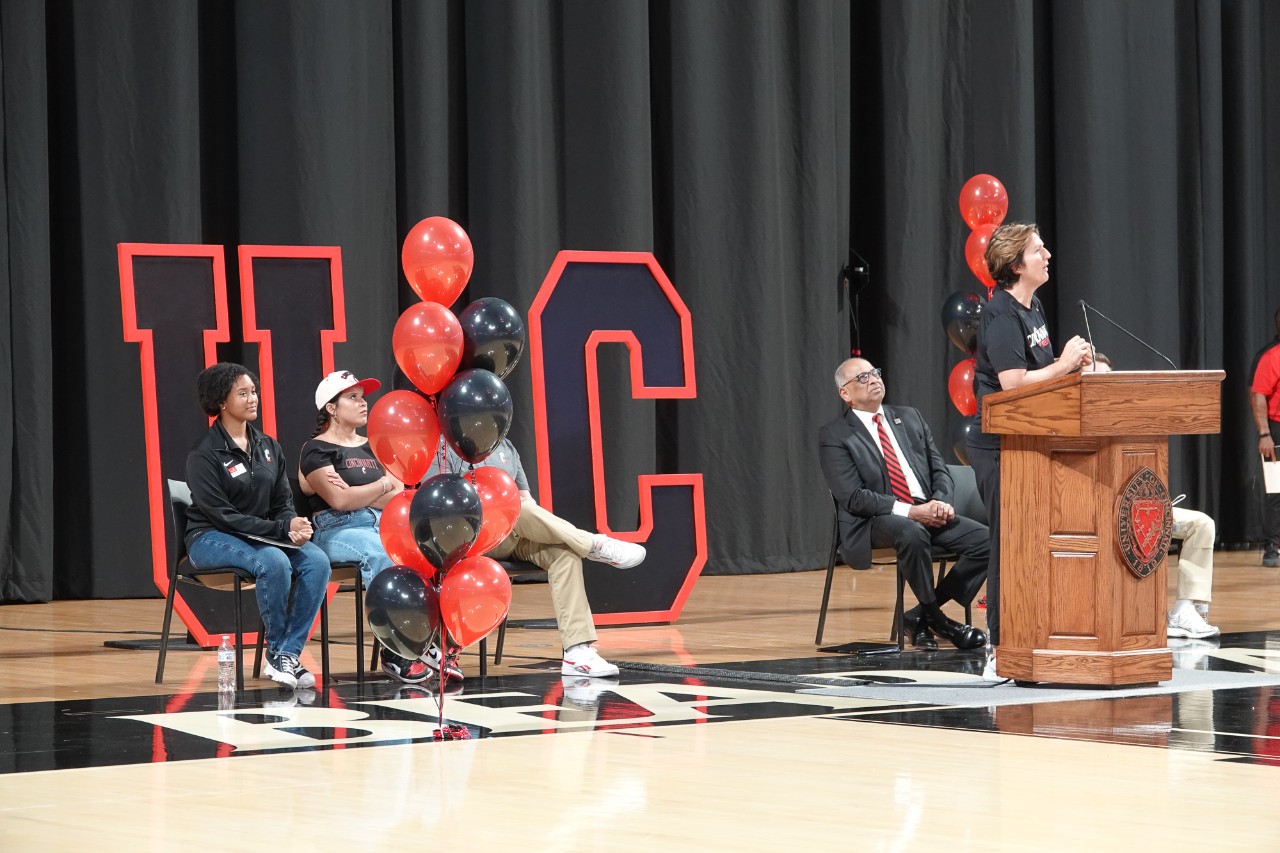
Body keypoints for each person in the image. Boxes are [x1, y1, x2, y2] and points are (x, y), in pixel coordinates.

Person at [968, 222, 1092, 667]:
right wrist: (1063, 364)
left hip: (1033, 442)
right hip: (1001, 448)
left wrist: (1078, 369)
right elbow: (1014, 385)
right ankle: (999, 646)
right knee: (1010, 543)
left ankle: (1039, 630)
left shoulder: (1032, 307)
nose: (1048, 256)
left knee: (1036, 541)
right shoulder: (1000, 314)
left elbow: (1043, 377)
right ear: (1017, 265)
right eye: (1039, 250)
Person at [426, 437, 647, 679]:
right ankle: (592, 543)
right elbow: (440, 505)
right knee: (514, 507)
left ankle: (577, 651)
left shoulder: (507, 447)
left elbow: (527, 502)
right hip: (470, 539)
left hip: (511, 535)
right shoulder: (446, 447)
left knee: (564, 553)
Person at [817, 357, 989, 650]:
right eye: (861, 378)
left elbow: (939, 471)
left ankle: (919, 615)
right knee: (911, 531)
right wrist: (911, 512)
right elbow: (854, 498)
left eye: (875, 373)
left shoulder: (909, 417)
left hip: (925, 510)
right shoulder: (835, 435)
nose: (873, 379)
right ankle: (940, 620)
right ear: (844, 394)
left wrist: (940, 503)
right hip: (873, 521)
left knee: (987, 541)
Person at [184, 362, 332, 690]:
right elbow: (223, 516)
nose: (253, 399)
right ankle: (278, 652)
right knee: (274, 561)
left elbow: (280, 504)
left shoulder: (269, 447)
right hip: (210, 537)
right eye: (244, 393)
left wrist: (291, 522)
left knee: (317, 561)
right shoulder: (204, 454)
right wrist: (280, 531)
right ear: (222, 401)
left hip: (258, 534)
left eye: (254, 392)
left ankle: (286, 653)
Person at [298, 370, 437, 684]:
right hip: (335, 530)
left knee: (423, 556)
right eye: (352, 398)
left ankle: (428, 643)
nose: (363, 404)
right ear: (331, 408)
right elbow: (338, 501)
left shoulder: (374, 445)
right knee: (380, 555)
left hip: (381, 525)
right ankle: (395, 652)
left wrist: (362, 491)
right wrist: (380, 484)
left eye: (363, 397)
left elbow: (397, 495)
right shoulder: (316, 449)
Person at [1091, 354, 1220, 639]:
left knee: (1202, 524)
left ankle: (1184, 611)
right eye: (1095, 378)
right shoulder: (1076, 421)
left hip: (1141, 509)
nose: (1103, 385)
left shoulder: (1131, 417)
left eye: (1107, 379)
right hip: (1097, 512)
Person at [1249, 308, 1280, 567]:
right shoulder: (1271, 357)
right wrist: (1265, 433)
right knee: (1276, 490)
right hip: (1276, 429)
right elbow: (1258, 395)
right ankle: (1273, 545)